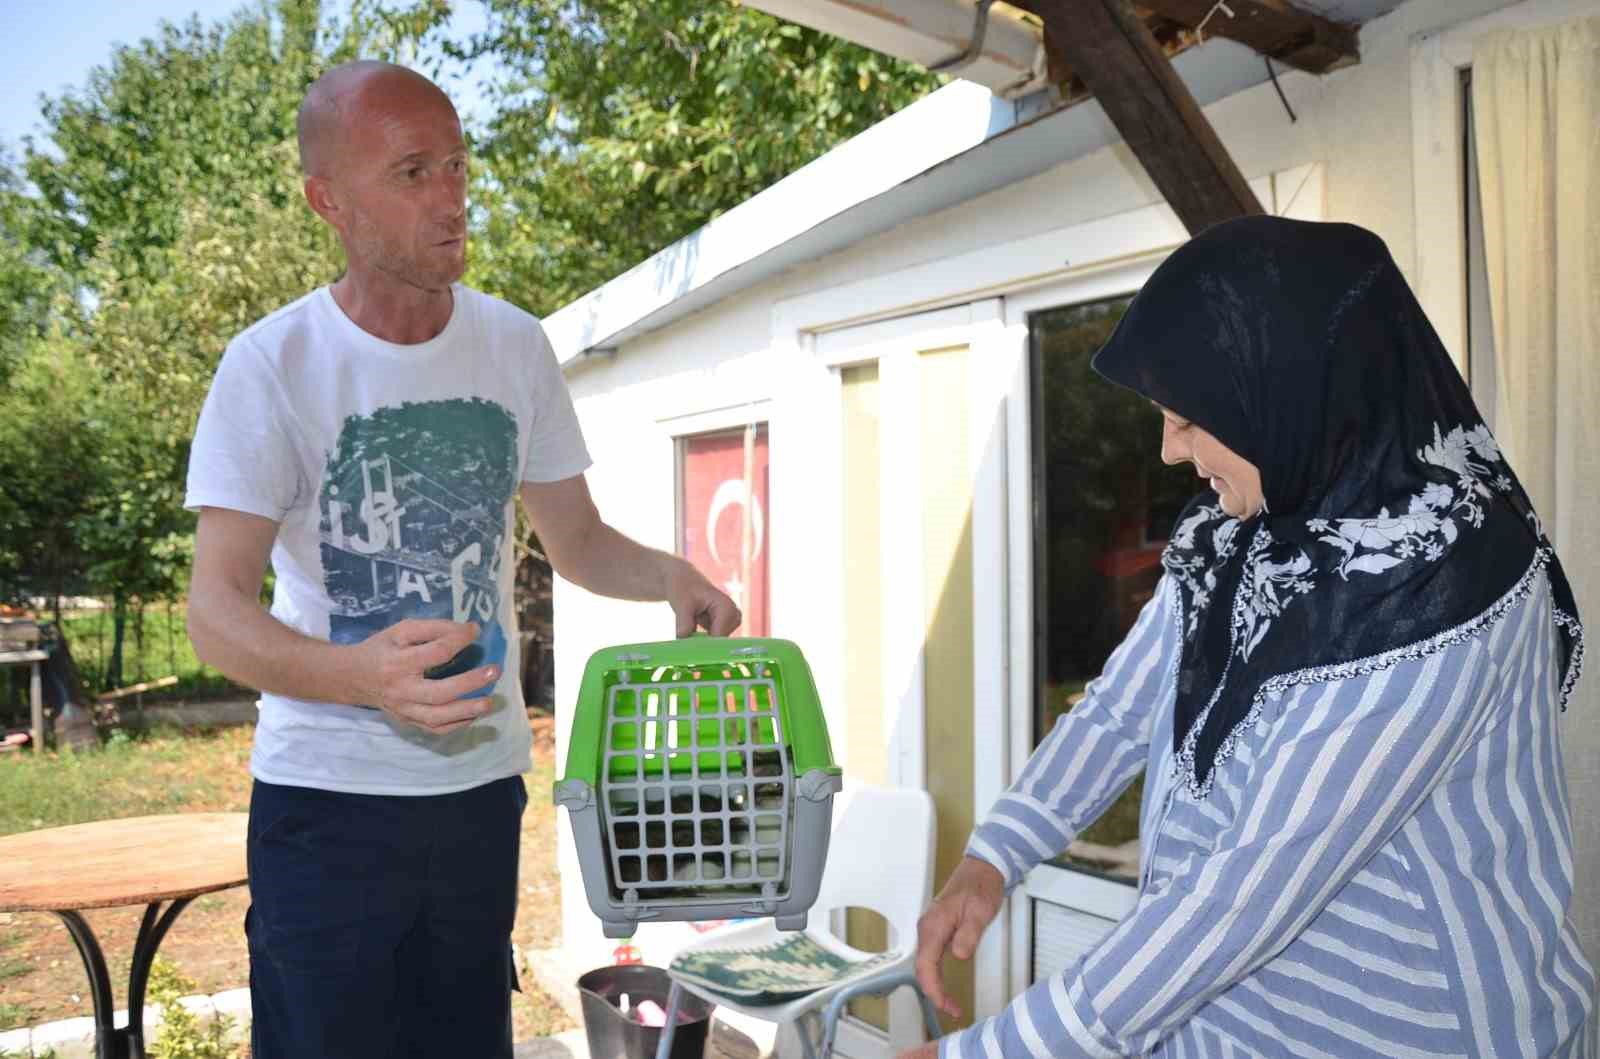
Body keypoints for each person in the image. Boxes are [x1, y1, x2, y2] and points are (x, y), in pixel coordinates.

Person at [905, 216, 1594, 1058]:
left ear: (1288, 388)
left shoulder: (1443, 590)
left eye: (1190, 420)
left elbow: (1247, 890)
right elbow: (1120, 710)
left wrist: (992, 1050)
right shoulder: (1247, 533)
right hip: (1232, 1027)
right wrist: (994, 854)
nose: (1168, 451)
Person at [184, 61, 739, 1059]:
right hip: (328, 804)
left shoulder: (513, 347)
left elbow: (578, 541)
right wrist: (359, 677)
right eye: (411, 174)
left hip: (479, 796)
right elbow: (214, 612)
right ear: (330, 202)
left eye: (455, 165)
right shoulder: (272, 366)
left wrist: (670, 575)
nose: (452, 198)